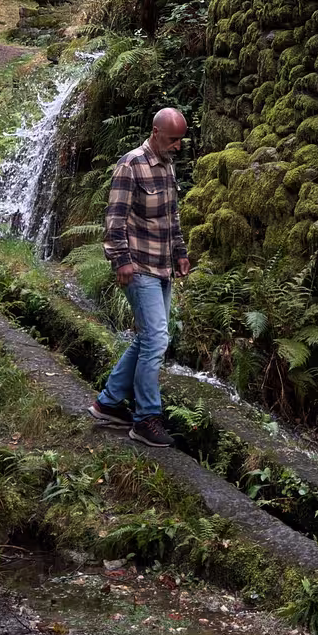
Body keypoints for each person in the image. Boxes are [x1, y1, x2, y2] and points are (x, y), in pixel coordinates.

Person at [90, 106, 191, 448]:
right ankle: (146, 418)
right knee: (157, 339)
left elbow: (171, 216)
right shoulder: (130, 164)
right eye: (173, 139)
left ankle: (107, 403)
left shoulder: (167, 164)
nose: (178, 146)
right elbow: (114, 219)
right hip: (139, 266)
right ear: (155, 131)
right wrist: (121, 261)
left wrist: (180, 253)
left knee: (147, 337)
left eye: (180, 140)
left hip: (162, 265)